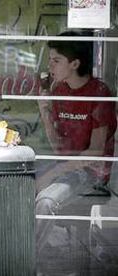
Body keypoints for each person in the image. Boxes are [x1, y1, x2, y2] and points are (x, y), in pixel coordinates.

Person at [36, 31, 117, 251]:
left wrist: (52, 174)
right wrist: (45, 114)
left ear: (75, 63)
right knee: (18, 181)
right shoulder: (59, 90)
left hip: (92, 172)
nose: (50, 66)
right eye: (49, 60)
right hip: (65, 166)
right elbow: (57, 149)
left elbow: (95, 152)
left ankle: (24, 260)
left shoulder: (99, 93)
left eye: (56, 60)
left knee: (46, 202)